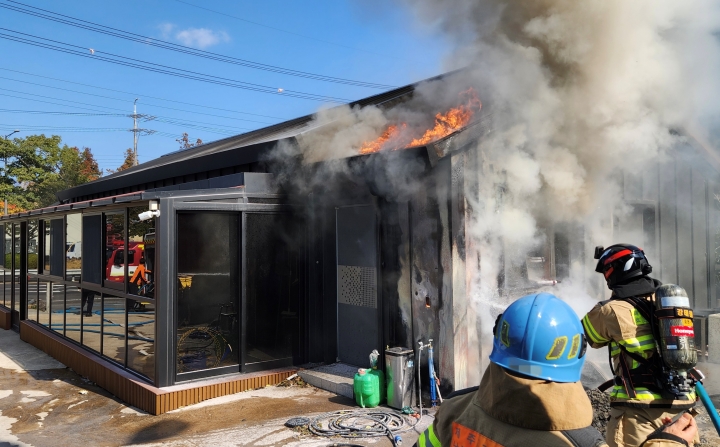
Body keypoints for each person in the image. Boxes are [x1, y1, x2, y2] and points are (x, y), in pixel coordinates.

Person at [414, 293, 697, 447]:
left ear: (500, 340)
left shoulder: (454, 410)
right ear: (576, 353)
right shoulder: (582, 443)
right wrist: (667, 443)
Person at [582, 244, 698, 447]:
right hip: (682, 412)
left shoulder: (610, 310)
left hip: (638, 413)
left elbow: (585, 337)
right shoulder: (670, 304)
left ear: (613, 272)